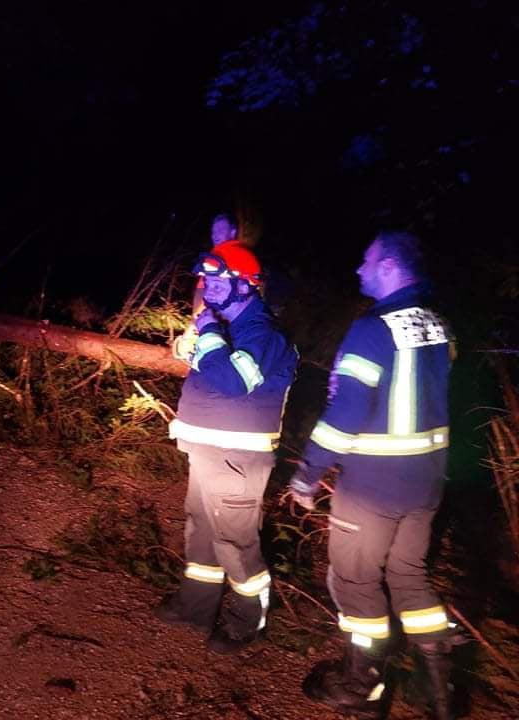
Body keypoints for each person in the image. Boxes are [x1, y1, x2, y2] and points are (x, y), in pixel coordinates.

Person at [289, 231, 456, 719]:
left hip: (372, 487)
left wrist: (308, 472)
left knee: (356, 579)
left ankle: (362, 686)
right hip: (426, 483)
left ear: (388, 265)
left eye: (366, 261)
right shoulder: (438, 324)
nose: (358, 270)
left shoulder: (372, 329)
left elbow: (348, 411)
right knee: (410, 578)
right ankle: (439, 694)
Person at [159, 241, 298, 655]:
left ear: (248, 285)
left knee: (235, 543)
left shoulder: (264, 335)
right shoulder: (219, 326)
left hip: (237, 461)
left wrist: (208, 339)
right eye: (207, 279)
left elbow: (234, 381)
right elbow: (198, 359)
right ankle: (196, 606)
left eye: (221, 279)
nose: (210, 286)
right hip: (205, 450)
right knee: (200, 530)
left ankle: (246, 620)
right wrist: (197, 344)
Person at [175, 213, 243, 364]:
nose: (215, 235)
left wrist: (196, 324)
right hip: (205, 320)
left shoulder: (234, 258)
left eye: (220, 230)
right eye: (213, 231)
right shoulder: (214, 256)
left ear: (232, 232)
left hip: (218, 323)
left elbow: (214, 296)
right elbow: (202, 291)